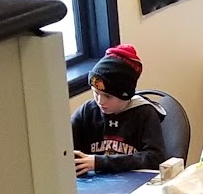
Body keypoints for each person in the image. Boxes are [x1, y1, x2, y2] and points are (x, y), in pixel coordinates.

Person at [71, 45, 169, 175]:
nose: (100, 101)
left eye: (108, 96)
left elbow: (155, 158)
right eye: (96, 93)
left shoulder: (144, 113)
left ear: (125, 96)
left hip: (134, 182)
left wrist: (100, 162)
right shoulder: (87, 112)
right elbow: (62, 146)